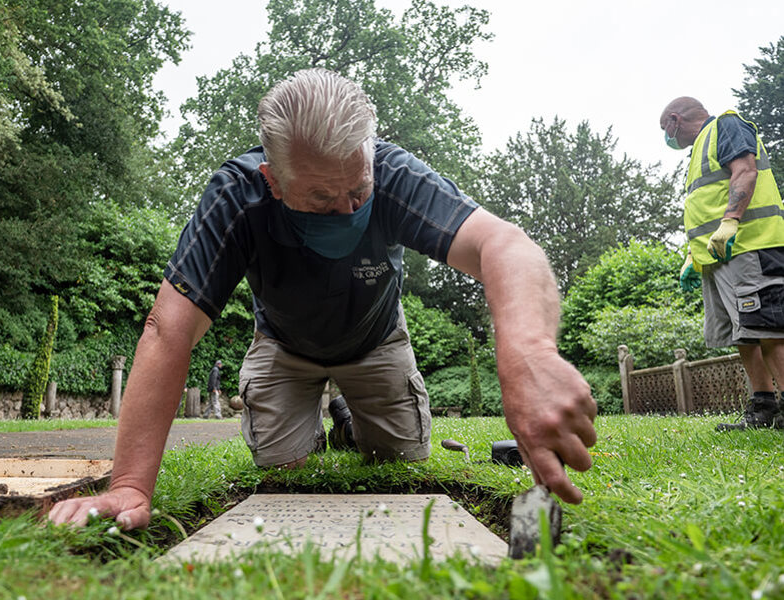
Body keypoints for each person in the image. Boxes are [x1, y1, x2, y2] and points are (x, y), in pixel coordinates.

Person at [49, 68, 597, 529]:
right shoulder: (236, 197)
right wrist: (129, 485)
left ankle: (350, 419)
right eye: (320, 196)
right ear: (273, 180)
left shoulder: (394, 174)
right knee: (283, 467)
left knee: (399, 461)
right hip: (283, 345)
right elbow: (169, 329)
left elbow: (504, 244)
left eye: (357, 191)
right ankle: (316, 414)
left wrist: (528, 353)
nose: (345, 208)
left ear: (369, 161)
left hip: (377, 340)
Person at [660, 96, 784, 431]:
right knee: (744, 333)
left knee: (769, 328)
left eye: (665, 130)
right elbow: (705, 208)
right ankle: (764, 408)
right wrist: (692, 258)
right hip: (717, 258)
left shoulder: (725, 125)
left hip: (749, 245)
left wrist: (731, 220)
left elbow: (745, 170)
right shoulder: (699, 151)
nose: (667, 138)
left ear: (674, 120)